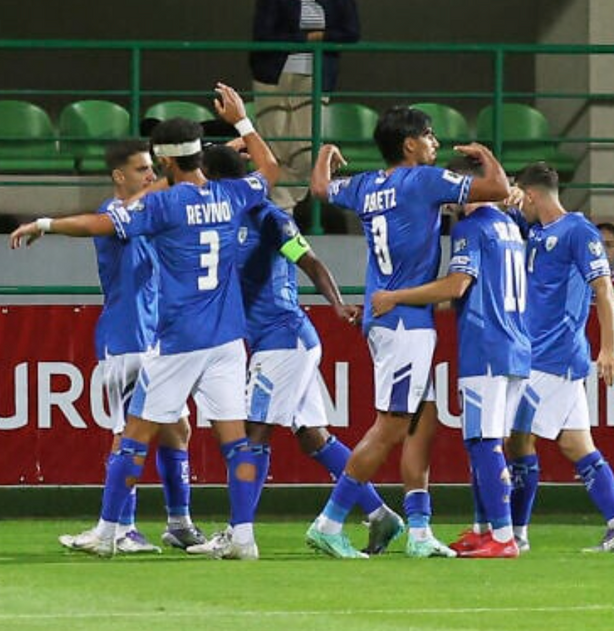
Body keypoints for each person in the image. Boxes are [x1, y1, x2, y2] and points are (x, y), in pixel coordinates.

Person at [10, 83, 282, 559]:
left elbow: (103, 223)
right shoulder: (234, 194)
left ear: (168, 164)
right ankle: (243, 538)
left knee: (134, 438)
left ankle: (109, 533)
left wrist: (46, 224)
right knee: (235, 443)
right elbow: (271, 170)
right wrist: (242, 122)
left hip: (179, 340)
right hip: (228, 341)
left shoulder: (160, 205)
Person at [304, 105, 511, 559]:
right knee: (392, 426)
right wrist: (484, 155)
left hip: (390, 319)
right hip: (405, 322)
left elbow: (318, 189)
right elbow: (498, 189)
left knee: (422, 420)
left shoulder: (364, 185)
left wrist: (324, 155)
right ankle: (330, 521)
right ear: (409, 144)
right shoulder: (423, 181)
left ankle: (419, 532)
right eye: (430, 136)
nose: (435, 143)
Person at [202, 144, 405, 554]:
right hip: (276, 341)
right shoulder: (224, 219)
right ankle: (381, 515)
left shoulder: (268, 219)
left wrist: (335, 303)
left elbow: (309, 261)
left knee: (254, 433)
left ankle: (240, 535)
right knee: (313, 437)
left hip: (284, 339)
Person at [371, 155, 531, 558]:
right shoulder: (510, 226)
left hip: (486, 348)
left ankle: (502, 535)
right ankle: (486, 529)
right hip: (516, 346)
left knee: (483, 442)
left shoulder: (470, 229)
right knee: (492, 441)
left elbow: (458, 286)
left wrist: (396, 297)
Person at [57, 140, 205, 556]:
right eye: (141, 169)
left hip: (159, 338)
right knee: (127, 433)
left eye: (151, 168)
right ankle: (122, 526)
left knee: (178, 428)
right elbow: (154, 193)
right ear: (119, 176)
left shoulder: (151, 214)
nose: (149, 175)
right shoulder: (114, 213)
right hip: (126, 339)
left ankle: (179, 522)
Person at [505, 162, 614, 554]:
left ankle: (516, 533)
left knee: (519, 440)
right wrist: (505, 194)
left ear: (532, 194)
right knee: (576, 445)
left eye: (522, 195)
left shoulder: (578, 231)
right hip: (542, 353)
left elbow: (602, 287)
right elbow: (495, 199)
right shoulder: (536, 229)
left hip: (555, 355)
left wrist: (610, 346)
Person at [250, 0, 360, 211]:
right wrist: (311, 37)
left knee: (307, 152)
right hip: (272, 75)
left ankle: (282, 207)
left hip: (315, 76)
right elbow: (264, 34)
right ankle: (283, 215)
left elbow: (350, 33)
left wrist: (308, 38)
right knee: (274, 149)